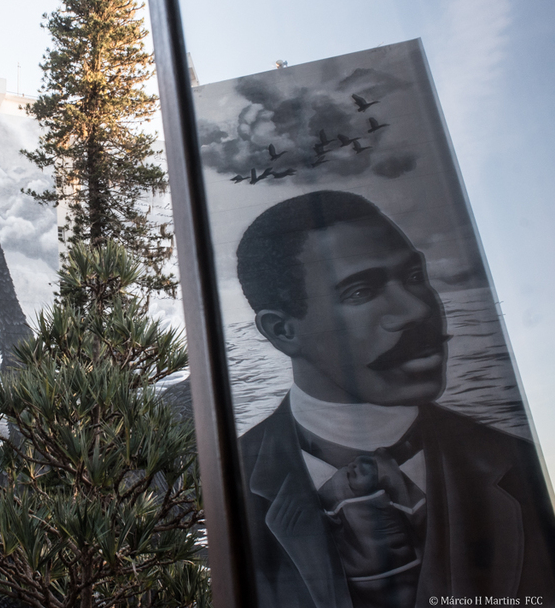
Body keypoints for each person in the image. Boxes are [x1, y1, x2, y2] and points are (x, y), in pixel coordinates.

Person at [235, 190, 555, 608]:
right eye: (360, 292)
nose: (416, 310)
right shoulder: (226, 490)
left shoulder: (523, 466)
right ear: (282, 331)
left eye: (415, 277)